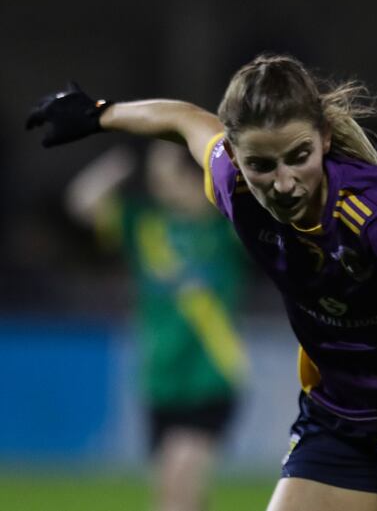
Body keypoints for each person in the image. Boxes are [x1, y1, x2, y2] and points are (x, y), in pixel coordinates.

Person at [27, 56, 377, 511]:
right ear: (232, 156)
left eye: (299, 157)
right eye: (262, 165)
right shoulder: (234, 187)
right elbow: (186, 120)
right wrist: (101, 114)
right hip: (339, 414)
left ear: (325, 138)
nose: (284, 183)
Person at [64, 142, 248, 511]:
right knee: (179, 497)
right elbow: (82, 200)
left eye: (166, 175)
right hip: (160, 380)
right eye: (154, 176)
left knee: (176, 497)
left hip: (211, 377)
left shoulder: (225, 229)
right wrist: (123, 156)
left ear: (193, 177)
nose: (158, 185)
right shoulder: (144, 226)